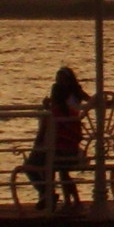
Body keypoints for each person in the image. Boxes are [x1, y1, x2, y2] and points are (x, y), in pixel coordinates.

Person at [24, 67, 91, 212]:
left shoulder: (54, 113)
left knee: (32, 165)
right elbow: (91, 102)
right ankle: (67, 201)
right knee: (61, 169)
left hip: (58, 147)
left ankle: (47, 194)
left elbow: (41, 135)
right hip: (70, 145)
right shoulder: (72, 109)